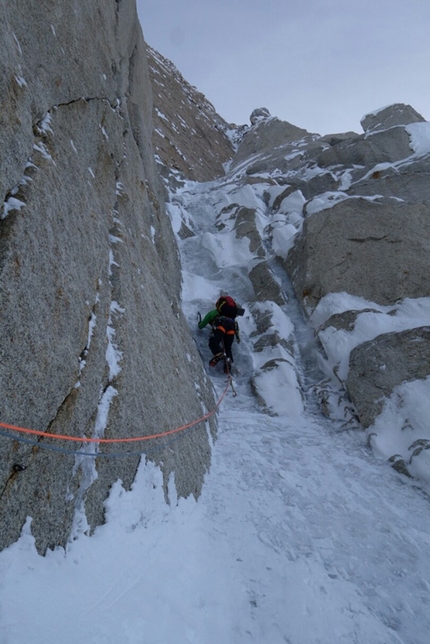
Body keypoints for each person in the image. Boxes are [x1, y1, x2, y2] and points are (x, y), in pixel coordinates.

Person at [198, 296, 244, 371]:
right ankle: (228, 361)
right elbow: (237, 331)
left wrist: (200, 323)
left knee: (213, 342)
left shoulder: (214, 312)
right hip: (231, 328)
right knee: (228, 347)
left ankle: (219, 353)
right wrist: (238, 338)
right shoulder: (233, 319)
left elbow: (201, 326)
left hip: (221, 326)